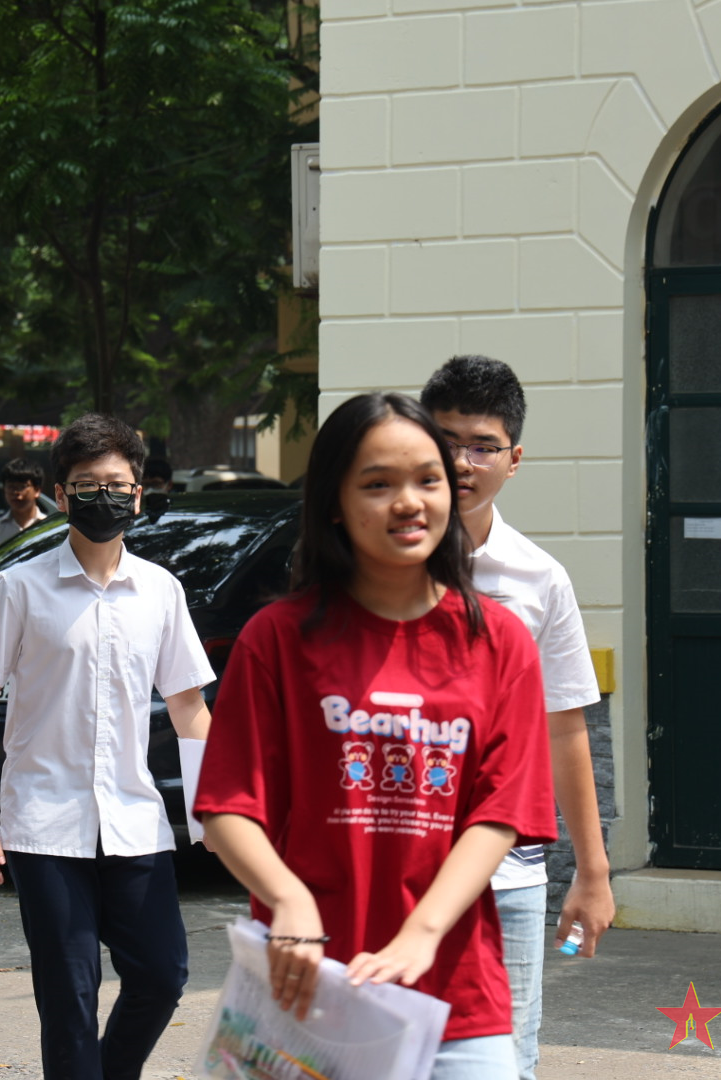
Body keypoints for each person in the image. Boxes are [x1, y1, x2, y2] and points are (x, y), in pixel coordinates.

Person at [195, 392, 557, 1080]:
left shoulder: (499, 641)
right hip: (308, 996)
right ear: (334, 502)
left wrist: (423, 934)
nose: (409, 502)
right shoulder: (277, 639)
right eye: (377, 484)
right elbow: (229, 804)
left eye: (427, 479)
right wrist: (289, 900)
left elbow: (500, 813)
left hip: (458, 998)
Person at [0, 414, 214, 1080]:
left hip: (134, 820)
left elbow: (189, 706)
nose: (104, 497)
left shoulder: (160, 590)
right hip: (44, 825)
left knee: (162, 974)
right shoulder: (20, 588)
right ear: (62, 495)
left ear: (136, 493)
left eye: (117, 484)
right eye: (86, 485)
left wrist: (215, 804)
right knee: (69, 999)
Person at [422, 356, 613, 1080]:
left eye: (482, 445)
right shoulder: (372, 565)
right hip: (393, 861)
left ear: (514, 459)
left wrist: (591, 874)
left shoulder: (539, 580)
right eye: (445, 440)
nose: (462, 461)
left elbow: (567, 728)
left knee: (506, 1061)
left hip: (506, 874)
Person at [0, 458, 46, 565]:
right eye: (11, 487)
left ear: (37, 490)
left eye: (22, 487)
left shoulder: (49, 528)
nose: (16, 493)